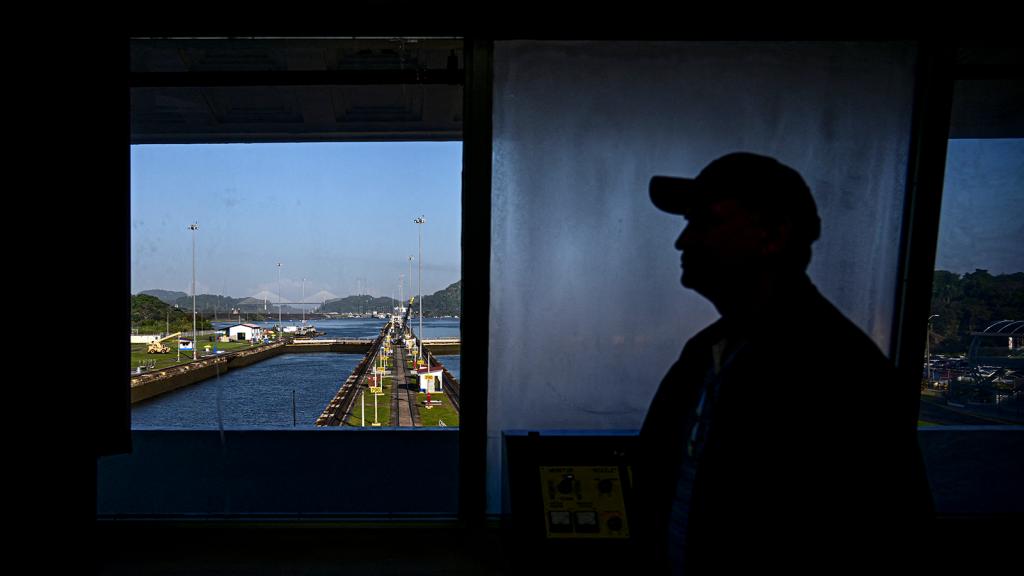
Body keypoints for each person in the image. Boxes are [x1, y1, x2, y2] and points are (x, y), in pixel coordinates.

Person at [634, 152, 933, 574]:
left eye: (705, 221)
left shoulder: (838, 372)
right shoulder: (707, 352)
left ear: (772, 235)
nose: (683, 241)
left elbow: (887, 538)